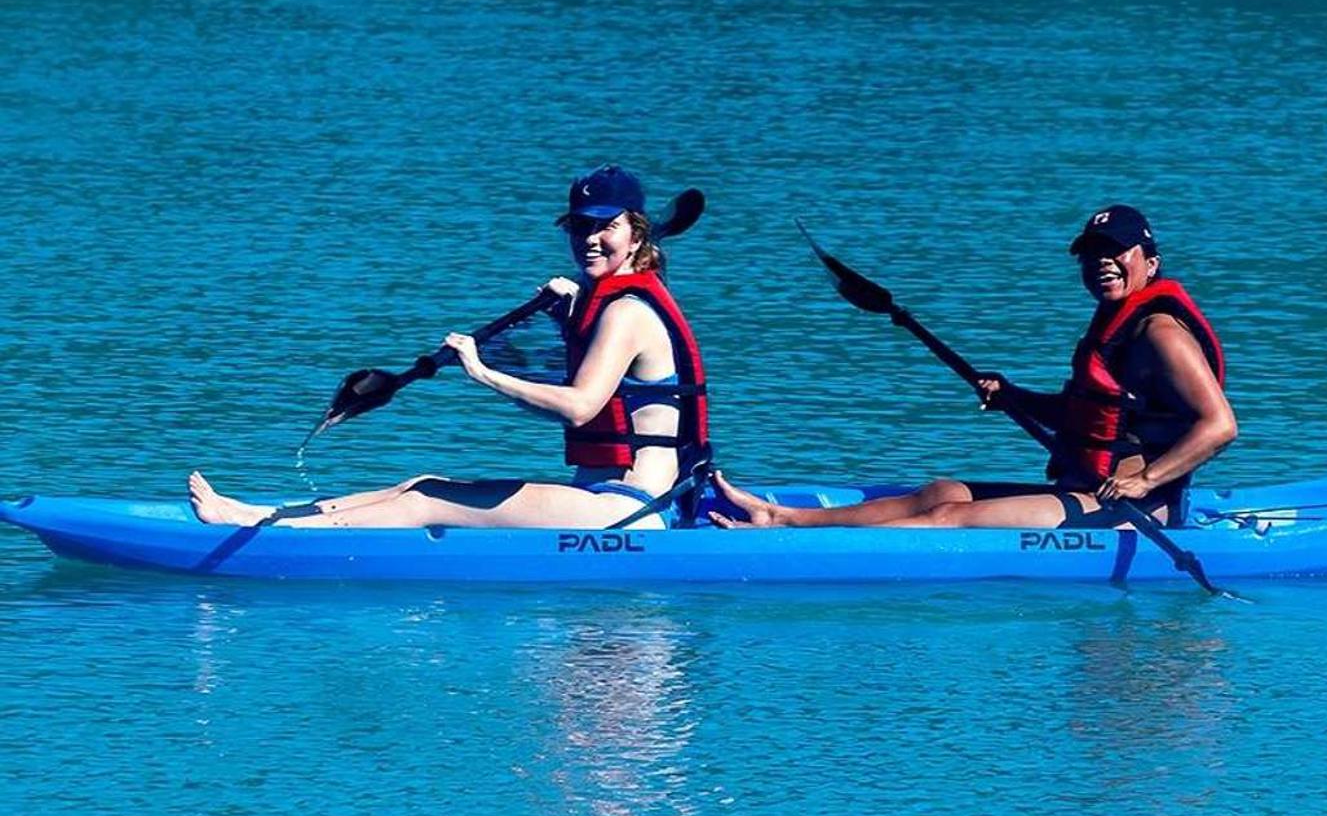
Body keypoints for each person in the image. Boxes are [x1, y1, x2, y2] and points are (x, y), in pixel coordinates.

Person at [188, 165, 710, 529]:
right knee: (423, 481)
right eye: (580, 227)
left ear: (637, 235)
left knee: (426, 501)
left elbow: (579, 407)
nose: (591, 239)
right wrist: (567, 314)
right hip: (608, 499)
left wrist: (482, 373)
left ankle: (272, 539)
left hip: (632, 510)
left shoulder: (625, 311)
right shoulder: (609, 302)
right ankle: (265, 516)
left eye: (607, 228)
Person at [712, 204, 1233, 529]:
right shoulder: (1113, 325)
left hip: (1136, 510)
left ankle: (790, 540)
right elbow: (1086, 416)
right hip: (1082, 491)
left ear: (1150, 263)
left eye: (1116, 252)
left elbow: (1219, 426)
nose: (1101, 262)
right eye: (1091, 254)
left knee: (949, 517)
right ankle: (786, 515)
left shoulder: (1159, 332)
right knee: (940, 492)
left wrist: (1146, 482)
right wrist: (1014, 396)